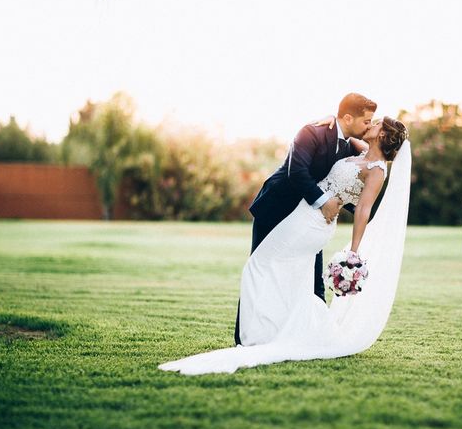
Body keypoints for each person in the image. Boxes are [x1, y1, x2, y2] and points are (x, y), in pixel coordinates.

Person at [158, 117, 410, 375]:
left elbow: (363, 210)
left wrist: (354, 251)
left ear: (383, 135)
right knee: (292, 279)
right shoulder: (360, 150)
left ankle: (259, 337)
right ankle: (285, 332)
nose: (371, 124)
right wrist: (329, 121)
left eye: (377, 123)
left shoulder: (377, 169)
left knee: (258, 266)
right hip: (305, 214)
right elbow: (338, 135)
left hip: (313, 222)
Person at [234, 93, 377, 345]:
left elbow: (357, 170)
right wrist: (323, 202)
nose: (369, 126)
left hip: (307, 221)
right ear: (347, 117)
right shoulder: (312, 132)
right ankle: (245, 337)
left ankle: (312, 335)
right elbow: (296, 171)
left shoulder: (347, 145)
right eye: (366, 121)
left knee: (311, 277)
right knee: (261, 267)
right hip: (277, 208)